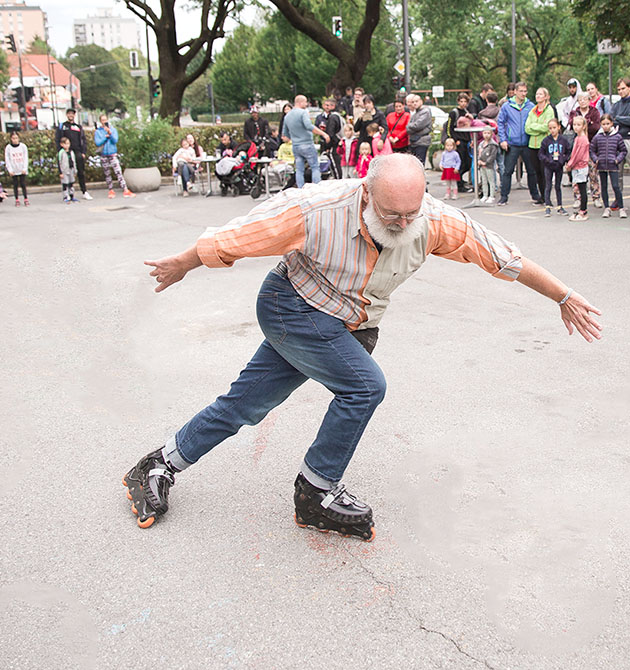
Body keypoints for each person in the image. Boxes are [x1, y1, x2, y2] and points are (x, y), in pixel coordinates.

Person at [126, 154, 602, 536]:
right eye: (390, 213)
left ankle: (159, 463)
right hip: (290, 306)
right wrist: (184, 262)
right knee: (364, 386)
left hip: (348, 321)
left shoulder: (435, 221)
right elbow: (239, 237)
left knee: (245, 404)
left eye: (410, 213)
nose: (400, 223)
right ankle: (316, 491)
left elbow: (503, 257)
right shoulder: (319, 210)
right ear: (365, 192)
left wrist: (563, 295)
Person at [497, 82, 539, 205]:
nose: (523, 94)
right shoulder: (507, 106)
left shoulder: (530, 106)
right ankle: (504, 196)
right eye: (521, 91)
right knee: (508, 170)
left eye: (525, 91)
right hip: (512, 143)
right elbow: (501, 123)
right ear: (515, 91)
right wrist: (503, 139)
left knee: (532, 170)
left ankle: (535, 195)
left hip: (527, 142)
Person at [285, 94, 331, 187]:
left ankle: (301, 189)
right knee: (315, 167)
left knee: (299, 170)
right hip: (306, 144)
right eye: (305, 102)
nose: (306, 104)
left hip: (296, 145)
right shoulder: (303, 113)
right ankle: (317, 188)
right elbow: (309, 126)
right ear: (300, 102)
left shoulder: (287, 115)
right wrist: (323, 134)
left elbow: (285, 134)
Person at [590, 114, 627, 218]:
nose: (605, 126)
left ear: (611, 124)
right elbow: (592, 150)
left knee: (616, 186)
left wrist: (617, 160)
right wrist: (596, 159)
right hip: (602, 165)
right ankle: (606, 208)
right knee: (604, 187)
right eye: (603, 124)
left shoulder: (617, 136)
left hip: (613, 165)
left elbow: (623, 151)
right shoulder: (597, 137)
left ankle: (621, 207)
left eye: (607, 124)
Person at [525, 87, 557, 201]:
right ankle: (542, 196)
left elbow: (547, 127)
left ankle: (547, 196)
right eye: (537, 94)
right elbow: (527, 128)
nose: (538, 96)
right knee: (537, 171)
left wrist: (535, 127)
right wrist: (537, 127)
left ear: (546, 97)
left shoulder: (549, 110)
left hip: (544, 145)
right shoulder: (532, 111)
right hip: (532, 145)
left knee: (545, 172)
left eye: (540, 94)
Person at [94, 114, 134, 198]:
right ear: (100, 121)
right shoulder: (98, 131)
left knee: (118, 171)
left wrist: (110, 133)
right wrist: (105, 137)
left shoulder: (113, 129)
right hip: (104, 154)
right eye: (102, 120)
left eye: (105, 120)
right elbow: (97, 142)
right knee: (107, 173)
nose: (104, 122)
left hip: (112, 153)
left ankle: (125, 189)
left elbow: (115, 140)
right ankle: (111, 190)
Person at [55, 108, 90, 199]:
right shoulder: (62, 126)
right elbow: (58, 139)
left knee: (81, 172)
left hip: (77, 152)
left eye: (72, 114)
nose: (71, 115)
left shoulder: (78, 127)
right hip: (67, 153)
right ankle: (68, 193)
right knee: (67, 173)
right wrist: (60, 151)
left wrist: (83, 152)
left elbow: (83, 140)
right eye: (69, 114)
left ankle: (84, 191)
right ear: (67, 115)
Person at [539, 119, 571, 217]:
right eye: (550, 128)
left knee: (558, 186)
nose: (552, 130)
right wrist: (547, 160)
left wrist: (564, 159)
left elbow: (569, 151)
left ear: (558, 127)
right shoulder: (546, 140)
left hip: (559, 165)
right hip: (549, 166)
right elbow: (541, 153)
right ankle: (548, 206)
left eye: (554, 128)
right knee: (548, 185)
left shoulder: (563, 140)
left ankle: (560, 206)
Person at [566, 115, 592, 221]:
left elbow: (578, 155)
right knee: (578, 189)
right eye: (574, 124)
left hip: (581, 167)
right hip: (576, 167)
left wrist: (570, 164)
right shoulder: (577, 138)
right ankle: (581, 209)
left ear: (584, 126)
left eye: (578, 125)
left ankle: (583, 211)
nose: (576, 127)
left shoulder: (583, 139)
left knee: (582, 189)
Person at [444, 93, 472, 192]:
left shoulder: (467, 112)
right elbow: (449, 128)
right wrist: (454, 141)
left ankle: (459, 179)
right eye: (461, 101)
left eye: (465, 101)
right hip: (459, 141)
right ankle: (458, 184)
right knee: (460, 163)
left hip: (467, 141)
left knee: (468, 163)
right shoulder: (454, 113)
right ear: (458, 102)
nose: (463, 103)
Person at [315, 97, 345, 174]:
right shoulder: (321, 117)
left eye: (329, 105)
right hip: (332, 142)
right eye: (326, 105)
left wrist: (328, 146)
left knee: (335, 166)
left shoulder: (333, 117)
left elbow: (331, 133)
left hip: (334, 145)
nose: (327, 107)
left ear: (333, 106)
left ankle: (338, 181)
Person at [404, 94, 434, 167]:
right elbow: (409, 128)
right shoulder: (415, 113)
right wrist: (410, 127)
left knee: (419, 165)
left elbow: (417, 125)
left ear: (421, 101)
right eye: (413, 102)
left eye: (416, 101)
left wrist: (410, 126)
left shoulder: (425, 111)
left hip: (422, 142)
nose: (414, 103)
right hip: (414, 141)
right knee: (414, 165)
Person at [4, 131, 29, 207]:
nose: (15, 140)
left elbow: (25, 158)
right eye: (13, 138)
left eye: (16, 138)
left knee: (23, 184)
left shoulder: (23, 146)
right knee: (15, 184)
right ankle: (17, 199)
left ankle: (25, 198)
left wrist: (25, 168)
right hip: (14, 169)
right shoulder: (8, 148)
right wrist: (10, 170)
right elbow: (7, 159)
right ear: (11, 139)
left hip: (21, 168)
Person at [476, 128, 499, 202]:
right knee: (484, 181)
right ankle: (485, 195)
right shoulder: (481, 144)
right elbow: (478, 152)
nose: (486, 135)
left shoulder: (493, 145)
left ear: (492, 134)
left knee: (491, 181)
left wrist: (486, 162)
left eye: (488, 133)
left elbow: (493, 156)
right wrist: (479, 160)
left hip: (489, 165)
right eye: (485, 133)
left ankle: (491, 196)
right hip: (481, 165)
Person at [59, 136, 78, 204]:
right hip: (64, 170)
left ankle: (71, 195)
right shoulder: (61, 152)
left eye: (68, 144)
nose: (67, 145)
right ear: (62, 144)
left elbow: (74, 161)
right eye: (65, 144)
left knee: (71, 183)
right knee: (65, 183)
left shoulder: (71, 152)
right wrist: (60, 172)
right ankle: (65, 196)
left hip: (71, 169)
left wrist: (75, 170)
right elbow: (59, 162)